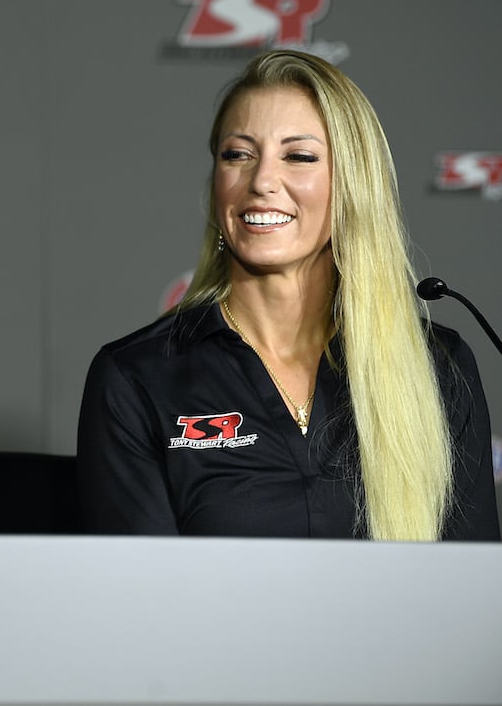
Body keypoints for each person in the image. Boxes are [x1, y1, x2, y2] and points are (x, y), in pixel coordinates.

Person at [77, 50, 499, 541]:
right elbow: (138, 599)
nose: (261, 182)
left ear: (353, 185)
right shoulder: (136, 376)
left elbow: (471, 589)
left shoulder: (438, 365)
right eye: (238, 154)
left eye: (298, 156)